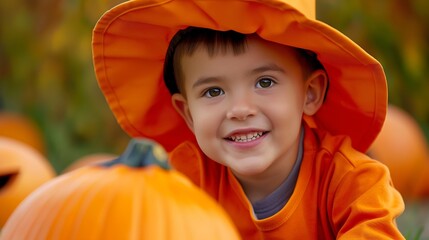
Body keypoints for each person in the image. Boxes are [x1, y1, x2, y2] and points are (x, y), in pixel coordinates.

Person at [92, 0, 405, 239]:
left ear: (310, 93)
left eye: (264, 82)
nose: (240, 109)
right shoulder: (181, 180)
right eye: (213, 91)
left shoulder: (354, 182)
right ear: (188, 113)